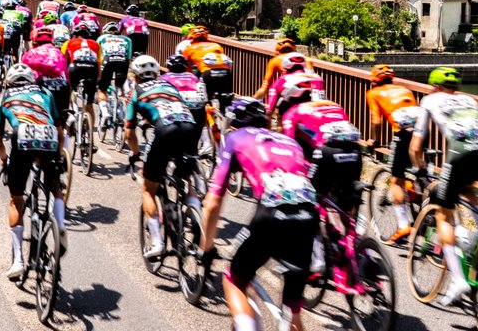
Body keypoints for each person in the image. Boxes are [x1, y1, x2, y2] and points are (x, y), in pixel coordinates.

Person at [202, 97, 317, 331]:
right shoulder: (289, 141)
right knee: (292, 311)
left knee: (234, 278)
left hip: (271, 215)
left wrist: (206, 247)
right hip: (308, 216)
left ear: (234, 123)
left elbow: (213, 202)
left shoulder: (235, 137)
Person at [410, 66, 478, 307]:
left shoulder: (429, 100)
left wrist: (420, 168)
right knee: (466, 189)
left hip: (459, 152)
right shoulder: (470, 100)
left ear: (435, 86)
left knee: (442, 216)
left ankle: (457, 280)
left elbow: (415, 147)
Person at [0, 62, 66, 280]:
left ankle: (18, 261)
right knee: (54, 186)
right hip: (49, 136)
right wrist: (59, 157)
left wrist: (4, 160)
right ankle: (60, 224)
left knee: (16, 200)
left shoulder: (4, 96)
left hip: (22, 136)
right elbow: (60, 131)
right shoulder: (45, 92)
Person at [125, 55, 201, 259]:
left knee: (148, 189)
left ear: (135, 76)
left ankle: (157, 242)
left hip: (164, 130)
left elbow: (129, 132)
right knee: (185, 176)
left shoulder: (136, 92)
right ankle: (196, 213)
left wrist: (135, 154)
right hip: (190, 128)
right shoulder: (170, 86)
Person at [278, 85, 363, 214]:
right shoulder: (333, 105)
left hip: (327, 152)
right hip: (355, 150)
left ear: (290, 101)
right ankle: (352, 221)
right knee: (347, 197)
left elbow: (290, 144)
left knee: (311, 196)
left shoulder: (292, 112)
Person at [364, 63, 422, 242]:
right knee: (416, 170)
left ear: (374, 80)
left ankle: (403, 225)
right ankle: (416, 193)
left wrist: (374, 140)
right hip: (420, 134)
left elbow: (376, 120)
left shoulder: (373, 93)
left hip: (402, 135)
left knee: (396, 180)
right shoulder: (405, 90)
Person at [96, 22, 132, 125]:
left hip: (108, 60)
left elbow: (98, 57)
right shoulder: (127, 39)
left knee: (102, 89)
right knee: (119, 87)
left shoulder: (102, 38)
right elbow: (129, 57)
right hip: (123, 61)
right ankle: (120, 113)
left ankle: (105, 112)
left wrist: (99, 75)